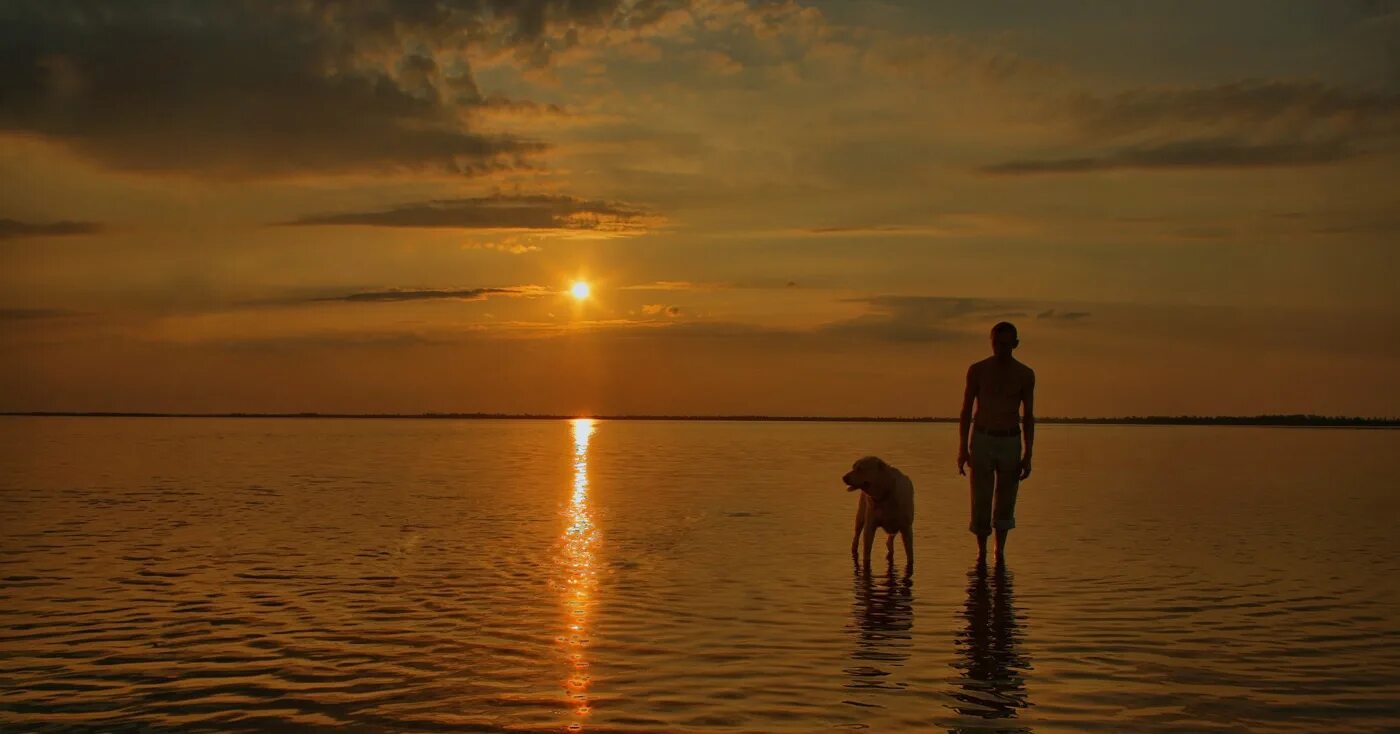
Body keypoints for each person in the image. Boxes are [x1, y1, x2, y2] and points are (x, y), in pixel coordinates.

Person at [957, 322, 1035, 565]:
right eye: (996, 343)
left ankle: (999, 551)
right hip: (982, 438)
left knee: (1006, 499)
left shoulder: (1025, 374)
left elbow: (1029, 415)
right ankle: (981, 552)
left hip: (1010, 439)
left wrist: (1028, 453)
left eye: (1005, 344)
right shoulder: (978, 370)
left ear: (1015, 344)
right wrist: (962, 448)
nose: (1000, 349)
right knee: (980, 498)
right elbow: (967, 409)